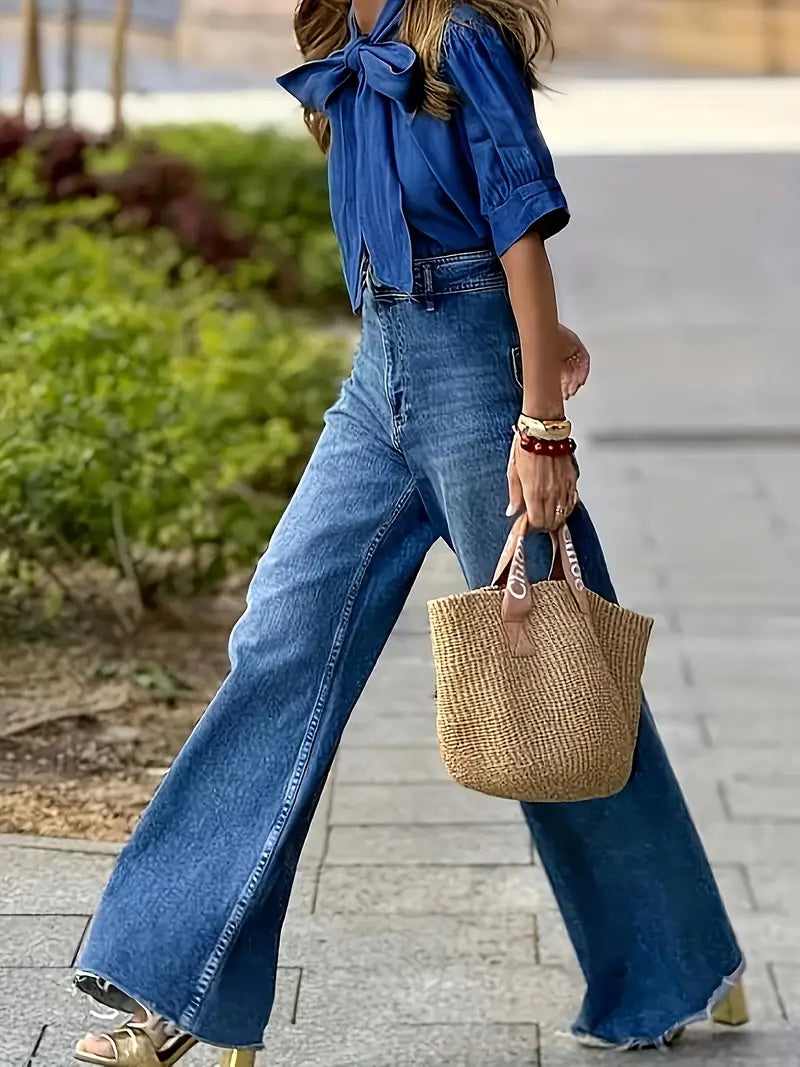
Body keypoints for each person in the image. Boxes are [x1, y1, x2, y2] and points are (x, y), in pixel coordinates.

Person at [73, 0, 747, 1062]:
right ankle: (175, 982)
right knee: (279, 638)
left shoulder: (460, 39)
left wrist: (541, 420)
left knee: (556, 671)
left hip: (478, 390)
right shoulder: (344, 41)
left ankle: (671, 962)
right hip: (377, 369)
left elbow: (516, 222)